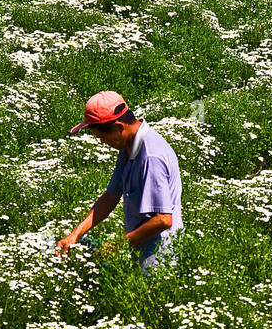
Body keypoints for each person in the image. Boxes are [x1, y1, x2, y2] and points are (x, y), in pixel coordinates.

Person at [54, 90, 183, 269]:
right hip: (140, 246)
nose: (102, 143)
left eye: (102, 137)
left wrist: (118, 245)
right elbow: (110, 197)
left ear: (119, 127)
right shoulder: (128, 147)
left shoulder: (151, 157)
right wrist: (75, 235)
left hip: (159, 258)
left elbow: (163, 220)